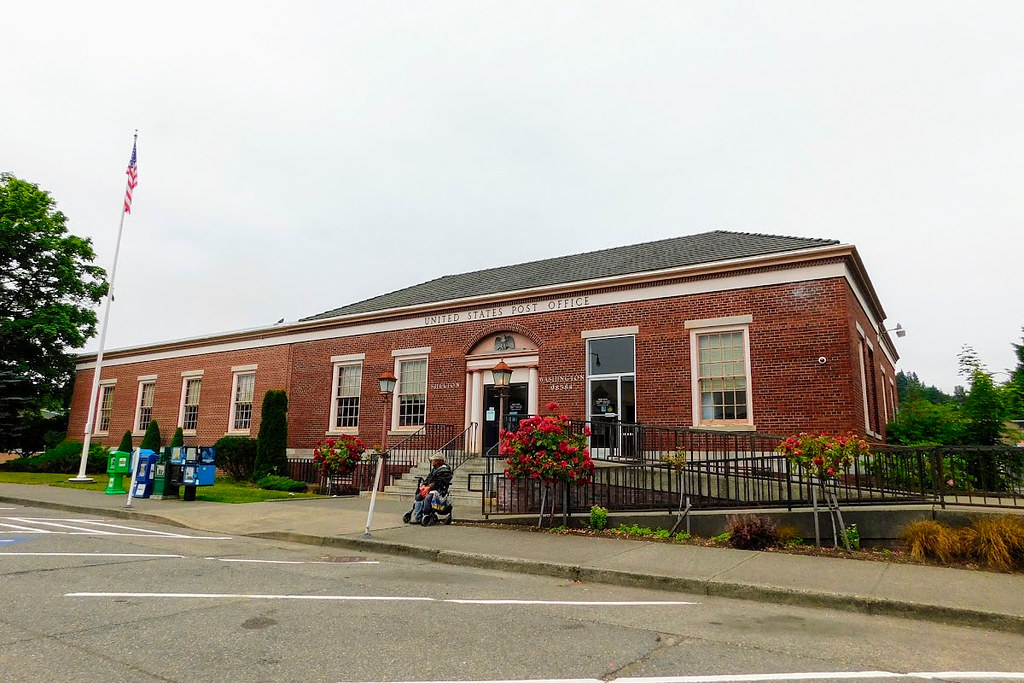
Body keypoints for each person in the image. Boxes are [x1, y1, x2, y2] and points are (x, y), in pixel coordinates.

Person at [410, 453, 453, 523]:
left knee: (428, 498)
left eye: (433, 460)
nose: (432, 462)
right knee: (419, 496)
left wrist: (429, 487)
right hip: (430, 489)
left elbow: (439, 483)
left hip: (439, 491)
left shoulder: (446, 471)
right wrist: (424, 484)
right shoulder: (434, 470)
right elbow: (428, 478)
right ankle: (418, 517)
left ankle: (426, 514)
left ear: (437, 461)